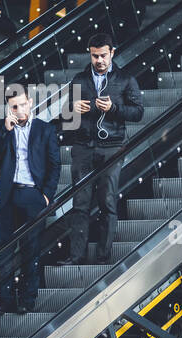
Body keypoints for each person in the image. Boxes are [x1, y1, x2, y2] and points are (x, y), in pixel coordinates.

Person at [60, 34, 143, 265]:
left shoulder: (125, 79)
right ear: (90, 53)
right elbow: (66, 120)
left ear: (112, 53)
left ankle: (103, 257)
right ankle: (76, 257)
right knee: (80, 204)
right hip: (83, 147)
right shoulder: (78, 80)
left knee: (107, 201)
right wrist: (71, 108)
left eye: (103, 55)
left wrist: (114, 108)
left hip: (112, 148)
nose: (99, 60)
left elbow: (138, 112)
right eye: (95, 55)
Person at [0, 86, 60, 314]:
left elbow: (54, 165)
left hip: (33, 195)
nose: (19, 110)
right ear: (8, 108)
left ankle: (28, 299)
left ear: (30, 102)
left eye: (22, 104)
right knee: (3, 251)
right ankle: (4, 300)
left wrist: (46, 195)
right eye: (13, 107)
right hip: (6, 196)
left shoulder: (44, 130)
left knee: (31, 249)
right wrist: (5, 132)